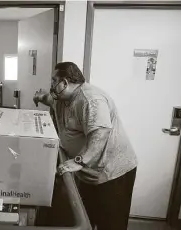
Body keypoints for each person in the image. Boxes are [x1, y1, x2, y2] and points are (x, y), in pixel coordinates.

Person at [33, 62, 137, 230]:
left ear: (65, 83)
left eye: (54, 81)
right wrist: (38, 96)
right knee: (88, 216)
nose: (51, 85)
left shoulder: (90, 100)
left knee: (110, 223)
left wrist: (79, 161)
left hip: (112, 173)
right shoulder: (61, 98)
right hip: (88, 171)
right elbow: (47, 98)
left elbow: (100, 133)